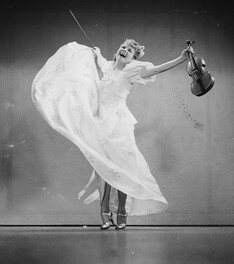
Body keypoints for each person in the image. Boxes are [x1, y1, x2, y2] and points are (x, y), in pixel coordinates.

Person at [31, 38, 193, 230]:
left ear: (132, 58)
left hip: (118, 122)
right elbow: (101, 61)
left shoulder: (131, 72)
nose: (125, 50)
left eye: (130, 51)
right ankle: (104, 212)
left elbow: (156, 69)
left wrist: (180, 59)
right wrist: (98, 52)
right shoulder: (108, 68)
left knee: (122, 167)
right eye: (122, 47)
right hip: (100, 123)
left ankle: (122, 210)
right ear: (117, 53)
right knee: (103, 168)